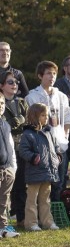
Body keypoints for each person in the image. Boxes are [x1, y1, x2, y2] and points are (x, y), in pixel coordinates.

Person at [25, 61, 70, 202]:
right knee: (43, 181)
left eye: (54, 73)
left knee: (60, 179)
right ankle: (41, 214)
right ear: (40, 76)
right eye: (48, 73)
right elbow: (31, 120)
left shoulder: (61, 96)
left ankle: (57, 212)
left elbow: (67, 118)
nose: (52, 76)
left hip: (60, 144)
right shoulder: (32, 96)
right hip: (41, 145)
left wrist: (64, 136)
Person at [19, 103, 61, 231]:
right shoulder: (28, 134)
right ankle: (31, 223)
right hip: (34, 171)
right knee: (32, 199)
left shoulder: (48, 132)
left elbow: (56, 146)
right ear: (34, 116)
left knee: (45, 199)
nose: (46, 118)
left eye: (46, 115)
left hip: (48, 171)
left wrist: (58, 156)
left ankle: (47, 222)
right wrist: (33, 157)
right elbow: (23, 150)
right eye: (43, 115)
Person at [0, 71, 28, 228]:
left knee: (20, 186)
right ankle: (4, 222)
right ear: (2, 86)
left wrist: (20, 121)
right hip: (5, 151)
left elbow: (29, 120)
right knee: (4, 192)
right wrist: (18, 121)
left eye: (16, 82)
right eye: (10, 82)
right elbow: (6, 126)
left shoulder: (22, 102)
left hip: (22, 148)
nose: (14, 85)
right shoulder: (0, 103)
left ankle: (21, 218)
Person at [0, 92, 19, 237]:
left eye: (1, 104)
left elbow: (10, 146)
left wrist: (13, 167)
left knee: (4, 201)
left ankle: (3, 228)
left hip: (7, 169)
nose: (0, 106)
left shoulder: (5, 124)